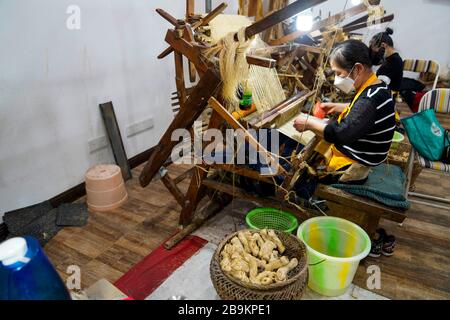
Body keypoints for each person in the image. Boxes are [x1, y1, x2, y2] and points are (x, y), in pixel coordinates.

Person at [293, 39, 396, 173]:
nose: (337, 80)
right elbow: (368, 113)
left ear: (358, 68)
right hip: (368, 156)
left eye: (338, 73)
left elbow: (340, 134)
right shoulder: (378, 87)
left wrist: (309, 123)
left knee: (297, 152)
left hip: (356, 166)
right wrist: (339, 107)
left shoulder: (369, 99)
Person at [369, 28, 404, 92]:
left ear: (383, 45)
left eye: (375, 52)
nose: (376, 54)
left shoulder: (395, 60)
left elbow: (381, 83)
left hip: (387, 95)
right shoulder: (390, 59)